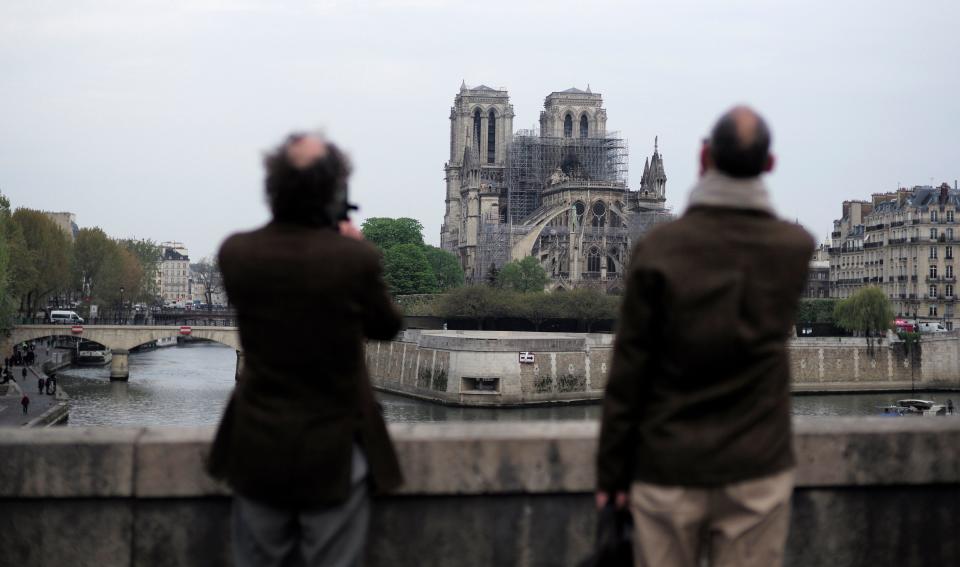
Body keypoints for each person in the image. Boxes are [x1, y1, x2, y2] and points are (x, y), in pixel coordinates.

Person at [596, 106, 815, 567]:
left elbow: (628, 373)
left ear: (703, 158)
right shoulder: (794, 247)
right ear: (769, 165)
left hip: (667, 467)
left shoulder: (658, 248)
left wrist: (613, 474)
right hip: (756, 469)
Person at [208, 132, 403, 567]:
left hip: (256, 444)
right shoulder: (354, 260)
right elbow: (386, 326)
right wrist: (353, 249)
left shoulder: (237, 253)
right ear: (333, 191)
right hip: (333, 450)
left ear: (273, 188)